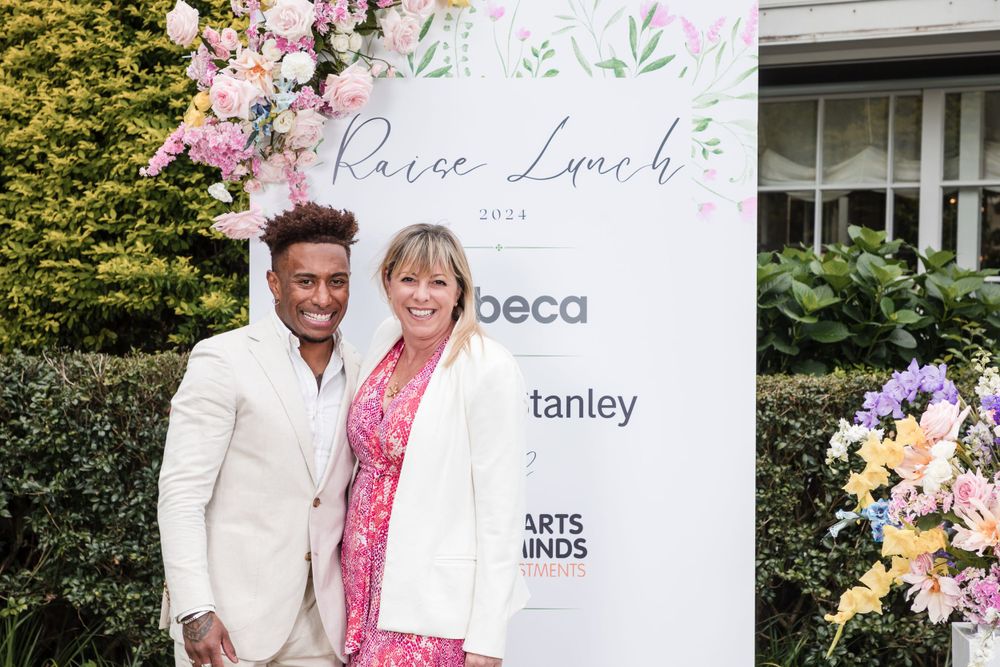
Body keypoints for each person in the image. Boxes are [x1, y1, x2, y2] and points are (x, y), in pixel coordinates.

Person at [158, 203, 362, 667]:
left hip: (322, 629)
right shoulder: (223, 359)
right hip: (228, 624)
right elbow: (181, 495)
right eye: (305, 281)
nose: (323, 298)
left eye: (337, 281)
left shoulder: (362, 369)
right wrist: (195, 610)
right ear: (274, 283)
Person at [341, 224, 529, 667]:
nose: (421, 295)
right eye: (409, 279)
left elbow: (501, 512)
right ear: (388, 282)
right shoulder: (386, 340)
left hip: (431, 610)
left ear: (459, 291)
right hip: (361, 595)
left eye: (438, 282)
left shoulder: (487, 365)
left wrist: (487, 636)